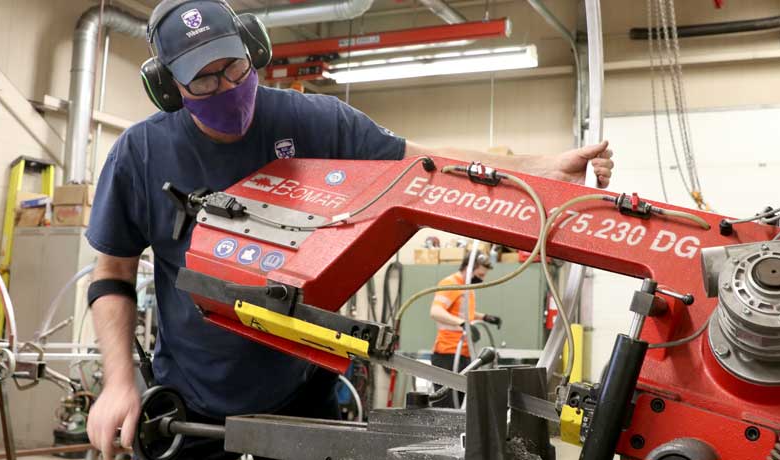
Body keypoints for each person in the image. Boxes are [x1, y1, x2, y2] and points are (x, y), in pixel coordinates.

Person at [84, 1, 616, 458]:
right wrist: (118, 383)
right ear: (167, 86)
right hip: (187, 401)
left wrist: (543, 170)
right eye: (203, 78)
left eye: (235, 67)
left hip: (301, 394)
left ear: (255, 50)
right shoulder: (140, 153)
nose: (226, 87)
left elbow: (424, 165)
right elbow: (112, 273)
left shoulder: (316, 123)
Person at [428, 251, 501, 407]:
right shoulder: (451, 283)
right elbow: (436, 311)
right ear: (469, 268)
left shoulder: (467, 287)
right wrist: (462, 324)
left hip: (464, 354)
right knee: (447, 406)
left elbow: (463, 313)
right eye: (480, 274)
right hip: (447, 354)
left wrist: (484, 317)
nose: (482, 279)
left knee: (462, 405)